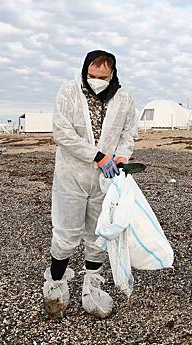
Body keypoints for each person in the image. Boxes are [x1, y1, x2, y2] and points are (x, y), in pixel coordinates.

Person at [43, 50, 136, 319]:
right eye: (91, 75)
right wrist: (96, 156)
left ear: (113, 74)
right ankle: (56, 286)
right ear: (85, 71)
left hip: (105, 178)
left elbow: (129, 131)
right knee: (66, 231)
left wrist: (121, 155)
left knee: (99, 232)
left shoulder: (124, 98)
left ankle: (91, 286)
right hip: (72, 175)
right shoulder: (69, 92)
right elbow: (62, 133)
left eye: (102, 77)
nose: (96, 81)